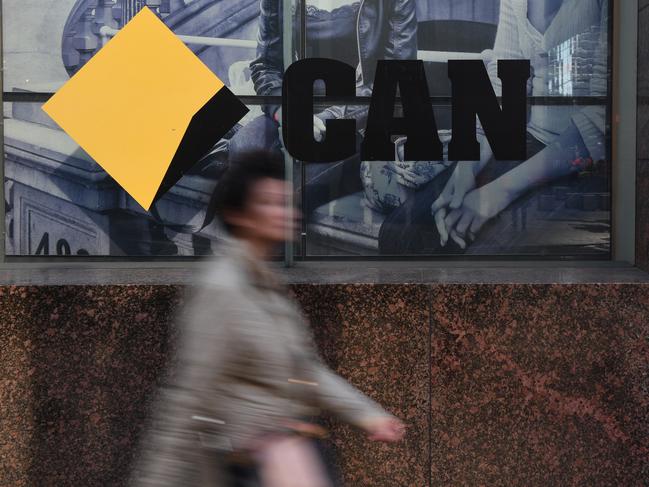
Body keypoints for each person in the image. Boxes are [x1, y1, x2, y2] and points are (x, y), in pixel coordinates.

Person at [129, 149, 406, 487]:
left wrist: (367, 414)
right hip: (246, 467)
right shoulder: (223, 288)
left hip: (284, 462)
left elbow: (305, 370)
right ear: (240, 215)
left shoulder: (267, 284)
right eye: (270, 204)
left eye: (286, 202)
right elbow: (190, 394)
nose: (285, 212)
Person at [429, 0, 609, 250]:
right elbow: (505, 84)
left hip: (586, 167)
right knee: (409, 234)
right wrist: (468, 165)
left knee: (481, 258)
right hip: (528, 143)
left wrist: (498, 192)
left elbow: (603, 118)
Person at [228, 0, 418, 217]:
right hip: (295, 107)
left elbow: (397, 75)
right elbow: (266, 66)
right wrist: (288, 113)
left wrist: (329, 118)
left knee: (293, 194)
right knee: (242, 149)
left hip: (360, 118)